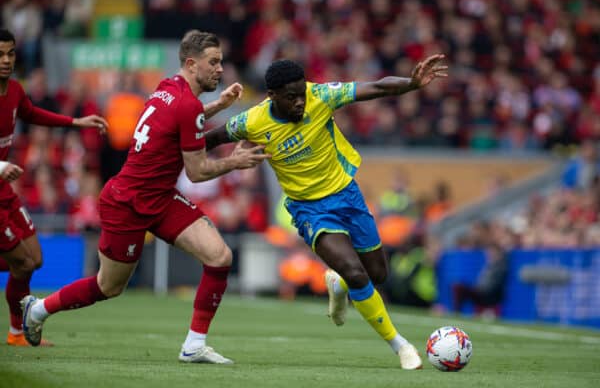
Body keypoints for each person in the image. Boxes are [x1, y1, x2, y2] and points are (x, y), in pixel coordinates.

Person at [21, 30, 270, 364]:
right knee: (109, 287)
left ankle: (194, 345)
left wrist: (219, 106)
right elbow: (196, 172)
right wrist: (235, 162)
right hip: (128, 203)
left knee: (219, 256)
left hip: (162, 198)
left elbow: (184, 119)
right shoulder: (186, 103)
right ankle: (38, 309)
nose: (220, 69)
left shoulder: (169, 87)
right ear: (192, 64)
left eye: (221, 62)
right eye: (213, 62)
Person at [205, 55, 448, 369]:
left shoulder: (321, 96)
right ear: (272, 96)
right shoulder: (251, 121)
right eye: (291, 98)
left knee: (378, 274)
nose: (299, 103)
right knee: (357, 272)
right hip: (308, 209)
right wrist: (175, 149)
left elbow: (374, 87)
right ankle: (400, 346)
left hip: (347, 195)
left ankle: (340, 283)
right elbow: (208, 139)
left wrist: (411, 84)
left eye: (302, 95)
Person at [0, 28, 107, 347]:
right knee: (21, 262)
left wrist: (75, 122)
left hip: (4, 192)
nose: (5, 60)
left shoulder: (16, 91)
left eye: (10, 53)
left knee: (34, 259)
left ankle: (16, 334)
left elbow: (32, 114)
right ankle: (17, 332)